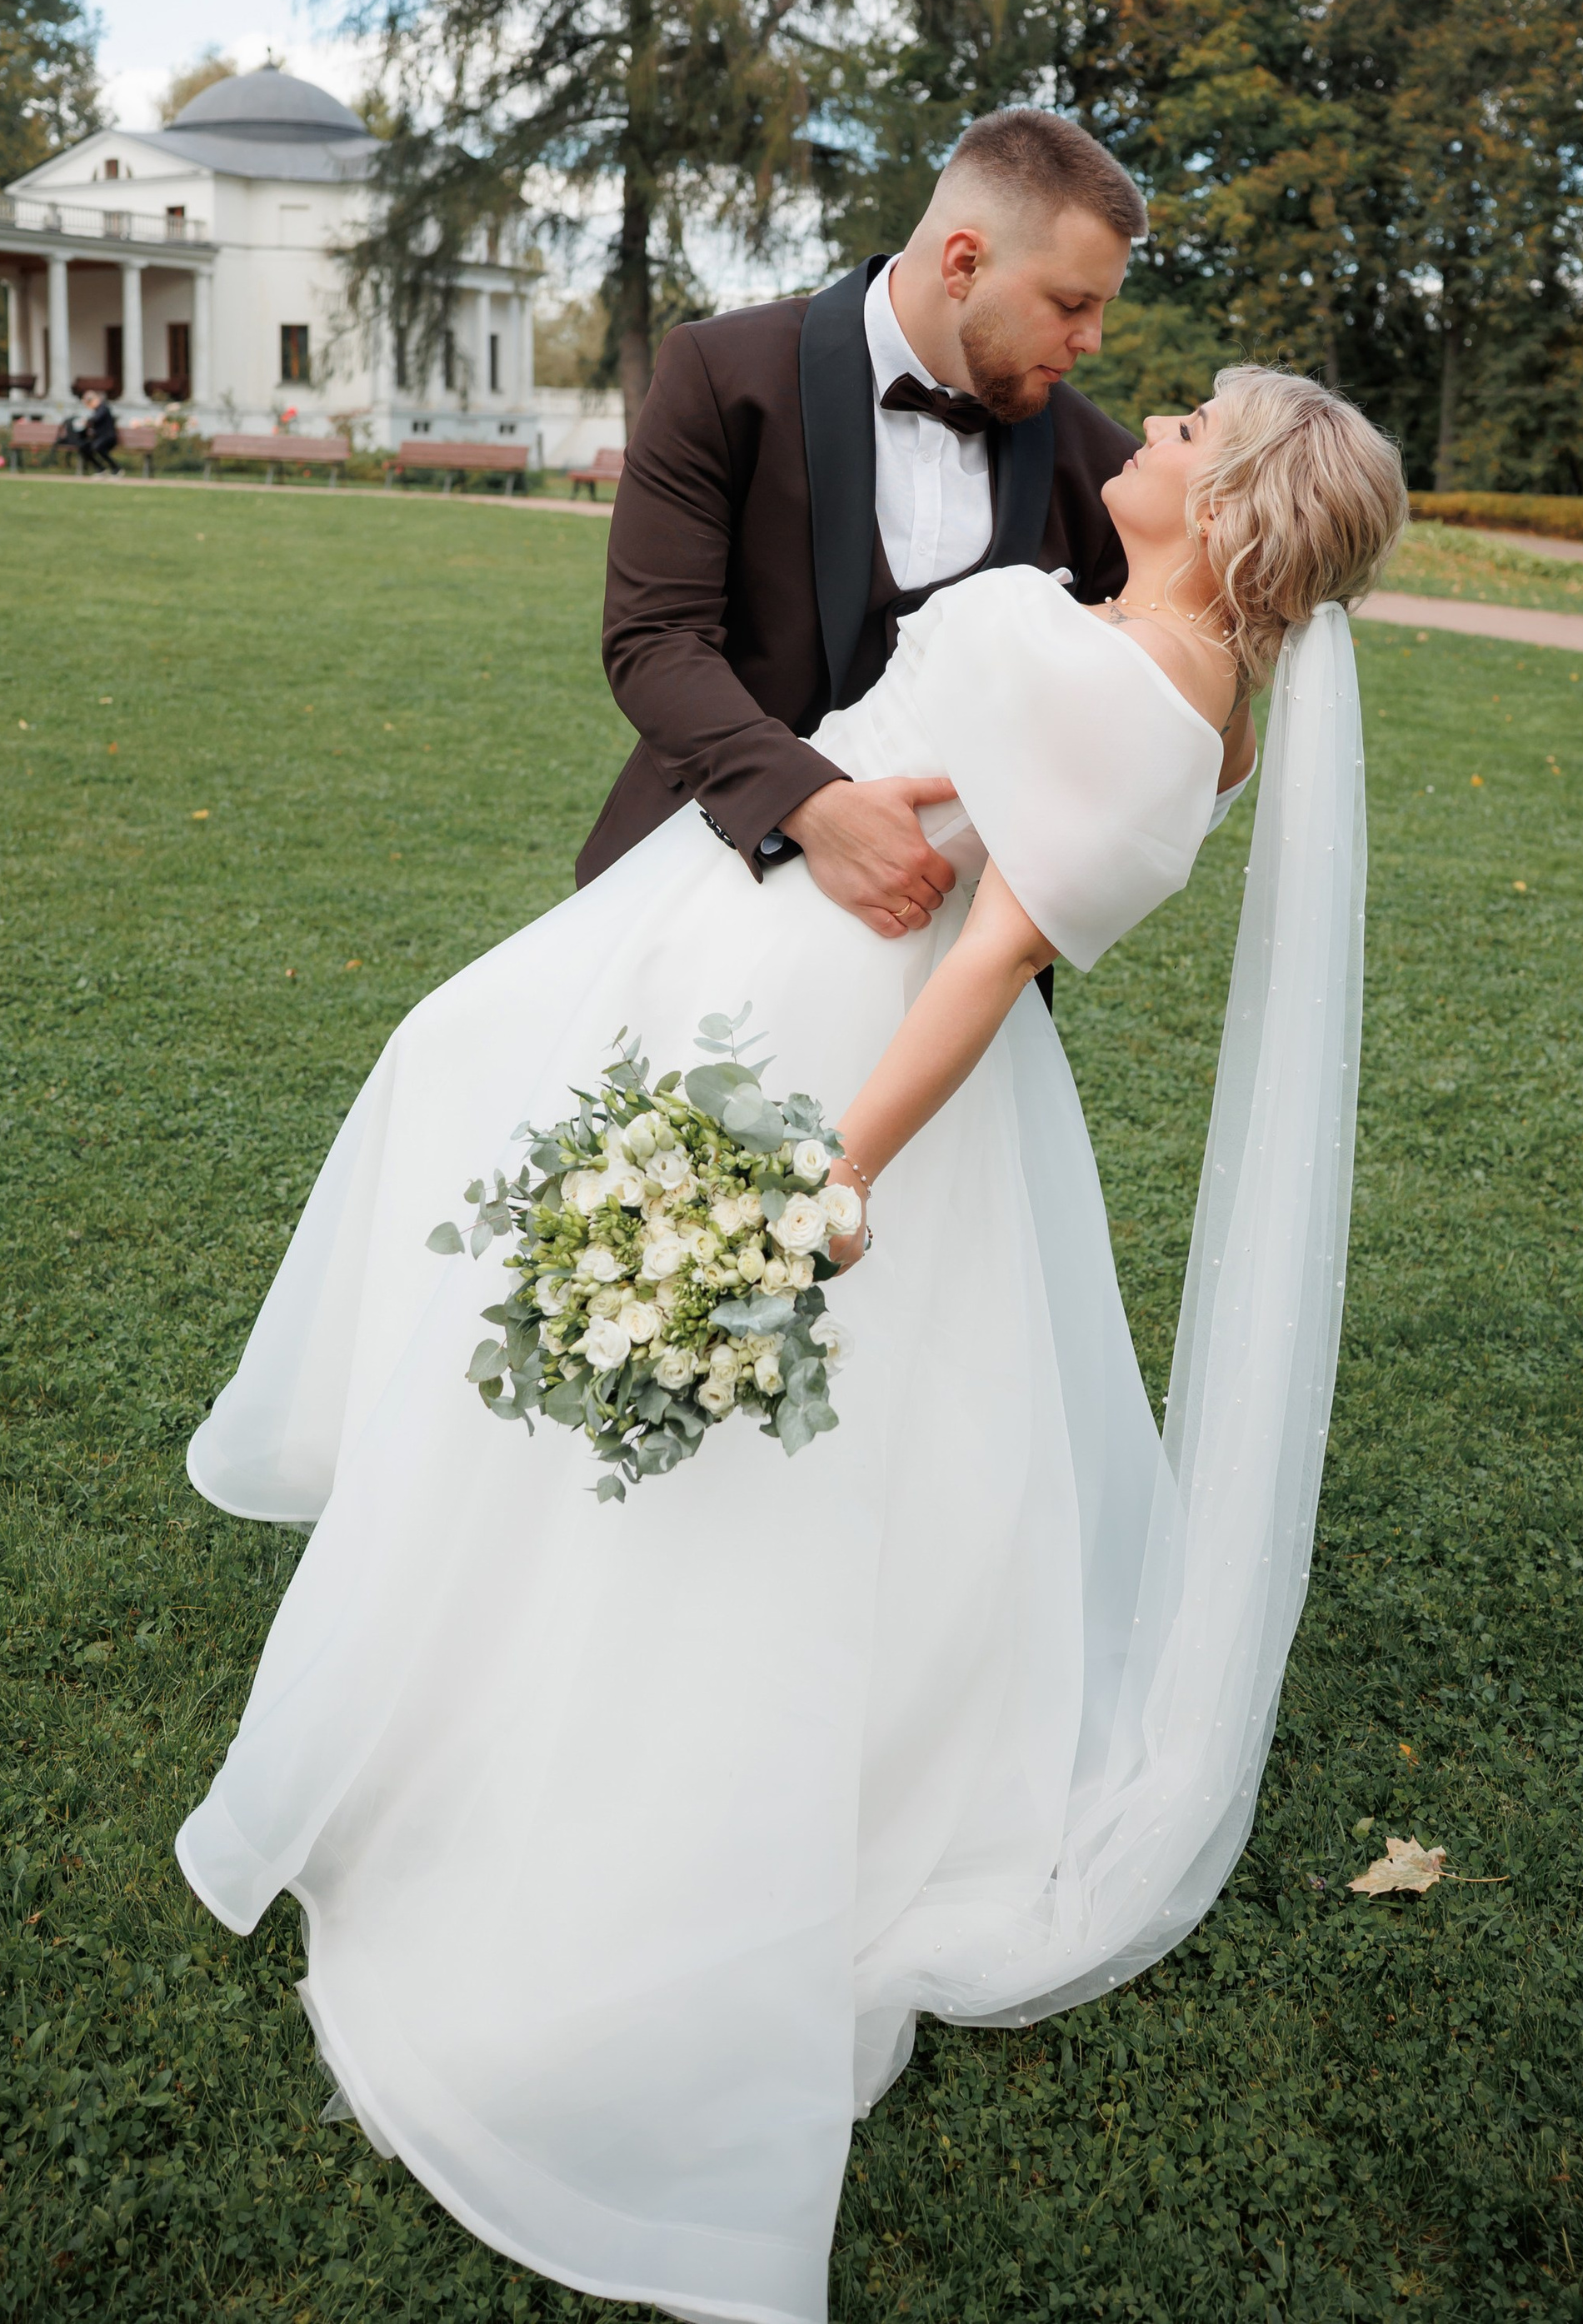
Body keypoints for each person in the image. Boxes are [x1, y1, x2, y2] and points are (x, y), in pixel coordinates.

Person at [176, 342, 1406, 2324]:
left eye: (1182, 430)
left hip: (815, 1023)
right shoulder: (1147, 667)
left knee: (655, 1331)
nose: (1142, 433)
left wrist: (830, 1175)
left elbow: (988, 960)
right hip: (726, 921)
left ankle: (568, 1725)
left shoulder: (1137, 690)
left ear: (1236, 500)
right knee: (482, 1126)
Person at [582, 107, 1158, 938]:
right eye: (1071, 302)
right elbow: (655, 638)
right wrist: (812, 806)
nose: (1093, 339)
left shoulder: (1104, 465)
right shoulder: (720, 375)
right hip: (696, 876)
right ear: (963, 262)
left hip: (939, 935)